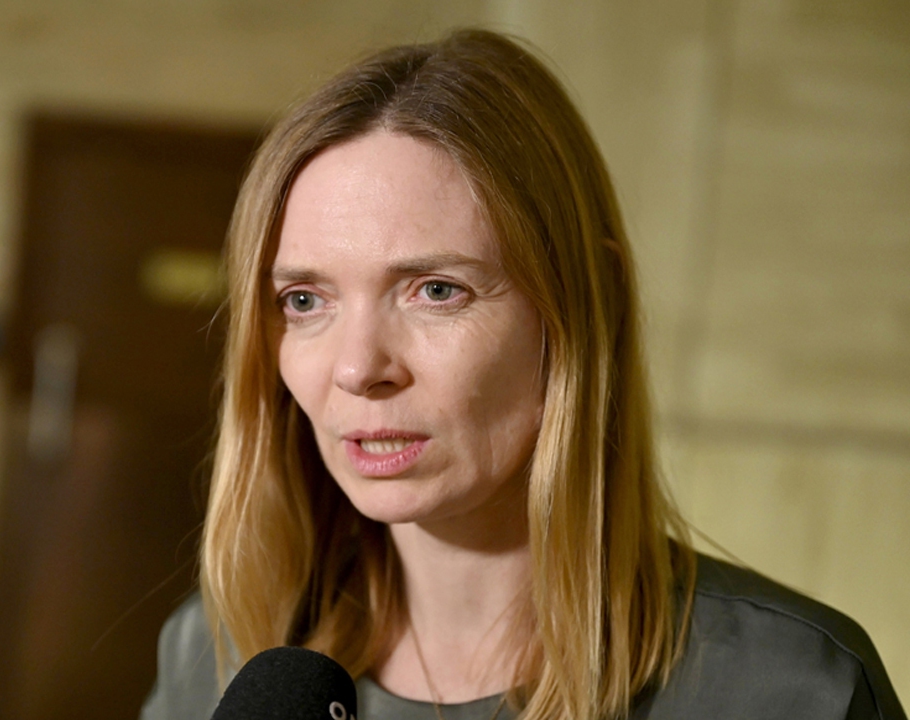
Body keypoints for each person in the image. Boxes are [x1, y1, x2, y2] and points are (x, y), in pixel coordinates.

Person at [139, 29, 906, 720]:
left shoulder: (793, 690)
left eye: (437, 290)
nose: (356, 367)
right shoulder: (216, 659)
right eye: (304, 300)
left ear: (586, 303)